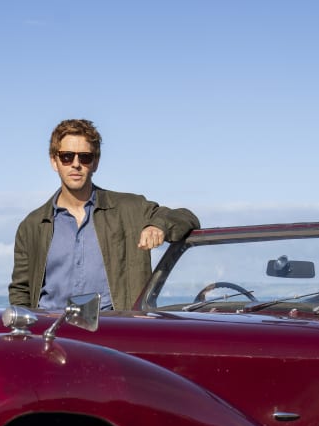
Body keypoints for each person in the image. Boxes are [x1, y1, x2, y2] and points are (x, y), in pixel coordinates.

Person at [10, 119, 199, 311]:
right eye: (67, 156)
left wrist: (158, 225)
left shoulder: (129, 209)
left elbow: (186, 217)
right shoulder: (32, 226)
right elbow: (20, 292)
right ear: (54, 161)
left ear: (95, 163)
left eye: (85, 157)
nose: (76, 164)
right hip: (52, 332)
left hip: (113, 330)